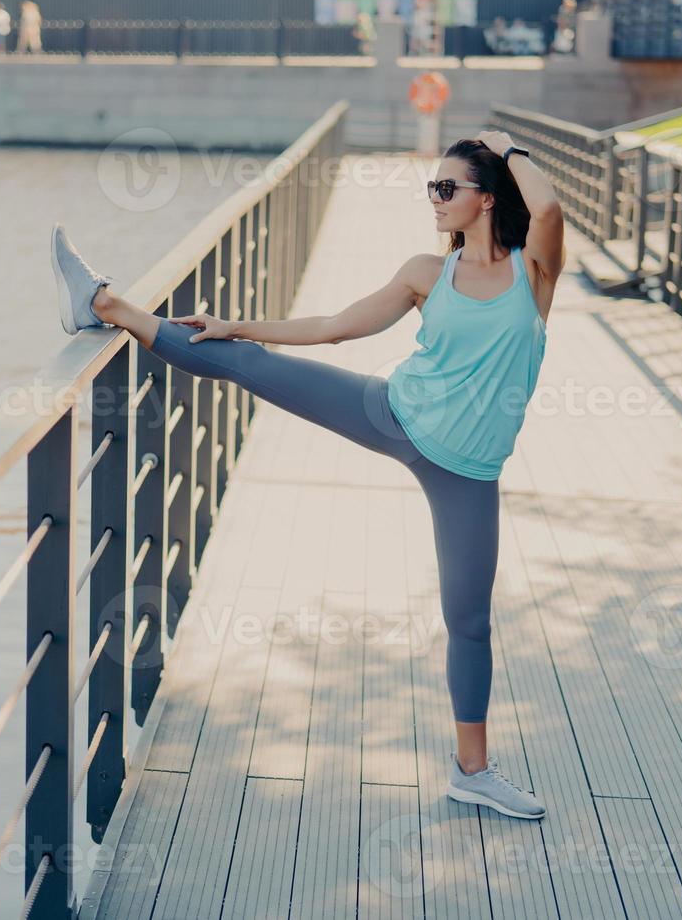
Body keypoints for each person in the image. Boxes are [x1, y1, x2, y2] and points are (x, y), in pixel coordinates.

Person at [47, 131, 562, 820]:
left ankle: (472, 771)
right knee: (248, 363)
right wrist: (241, 324)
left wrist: (512, 147)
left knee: (468, 621)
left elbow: (550, 213)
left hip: (468, 472)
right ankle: (106, 303)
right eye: (430, 189)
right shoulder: (425, 272)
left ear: (488, 199)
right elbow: (336, 326)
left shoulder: (532, 276)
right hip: (394, 415)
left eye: (447, 189)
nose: (434, 201)